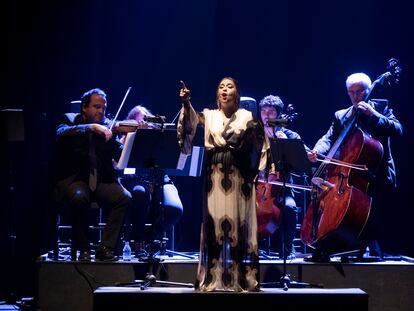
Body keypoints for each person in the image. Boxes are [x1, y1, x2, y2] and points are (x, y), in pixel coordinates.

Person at [178, 77, 265, 292]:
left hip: (240, 176)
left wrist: (252, 134)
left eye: (230, 86)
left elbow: (259, 143)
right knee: (215, 226)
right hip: (215, 177)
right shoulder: (209, 115)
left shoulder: (246, 116)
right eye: (221, 87)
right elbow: (190, 123)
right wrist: (186, 103)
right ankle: (213, 279)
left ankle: (241, 279)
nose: (225, 90)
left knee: (239, 225)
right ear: (217, 94)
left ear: (238, 93)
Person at [307, 72, 403, 260]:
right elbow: (329, 138)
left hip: (376, 173)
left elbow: (397, 129)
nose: (356, 96)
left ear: (368, 91)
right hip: (348, 174)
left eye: (360, 91)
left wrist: (373, 114)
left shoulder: (382, 107)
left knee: (372, 220)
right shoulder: (342, 115)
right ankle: (333, 245)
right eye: (351, 92)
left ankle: (374, 254)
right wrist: (317, 151)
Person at [54, 88, 132, 261]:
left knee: (124, 197)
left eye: (103, 108)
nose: (101, 112)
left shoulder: (108, 127)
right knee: (78, 197)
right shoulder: (69, 120)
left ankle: (105, 248)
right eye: (97, 107)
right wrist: (91, 127)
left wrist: (129, 141)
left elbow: (120, 154)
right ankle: (83, 249)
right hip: (77, 179)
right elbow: (60, 133)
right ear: (84, 107)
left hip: (102, 182)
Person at [118, 105, 184, 254]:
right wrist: (133, 137)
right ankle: (138, 242)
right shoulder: (124, 140)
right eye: (139, 122)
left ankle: (150, 240)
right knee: (140, 193)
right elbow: (119, 166)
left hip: (161, 179)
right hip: (135, 180)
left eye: (146, 121)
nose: (144, 125)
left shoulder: (156, 139)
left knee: (175, 208)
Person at [257, 95, 303, 259]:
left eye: (271, 112)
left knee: (289, 208)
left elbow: (298, 168)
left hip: (281, 189)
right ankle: (247, 250)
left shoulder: (290, 136)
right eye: (263, 111)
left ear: (279, 115)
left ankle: (287, 251)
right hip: (256, 187)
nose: (266, 115)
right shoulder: (254, 135)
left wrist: (281, 144)